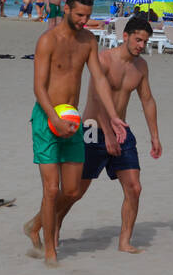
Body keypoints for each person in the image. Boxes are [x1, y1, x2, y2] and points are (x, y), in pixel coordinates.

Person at [23, 0, 127, 265]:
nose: (84, 20)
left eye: (88, 15)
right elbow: (38, 87)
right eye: (80, 14)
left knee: (71, 191)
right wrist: (52, 117)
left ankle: (35, 225)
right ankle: (49, 252)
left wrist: (113, 115)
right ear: (66, 9)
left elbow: (100, 80)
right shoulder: (48, 41)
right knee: (51, 189)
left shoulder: (89, 41)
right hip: (47, 120)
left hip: (71, 121)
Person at [52, 16, 162, 255]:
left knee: (134, 187)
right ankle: (55, 223)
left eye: (145, 41)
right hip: (93, 130)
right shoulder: (103, 60)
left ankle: (124, 241)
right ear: (125, 36)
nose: (141, 45)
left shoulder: (141, 67)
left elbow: (147, 100)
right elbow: (94, 98)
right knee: (76, 191)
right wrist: (108, 135)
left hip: (121, 130)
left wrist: (154, 135)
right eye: (137, 39)